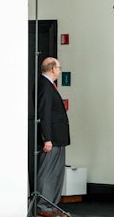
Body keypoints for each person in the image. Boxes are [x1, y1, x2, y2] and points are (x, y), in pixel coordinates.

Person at [36, 57, 70, 217]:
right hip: (52, 139)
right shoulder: (45, 86)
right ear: (52, 69)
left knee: (56, 173)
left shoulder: (49, 85)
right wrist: (46, 138)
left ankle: (51, 205)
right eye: (59, 67)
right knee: (48, 172)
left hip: (58, 137)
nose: (60, 70)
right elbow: (44, 113)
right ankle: (43, 207)